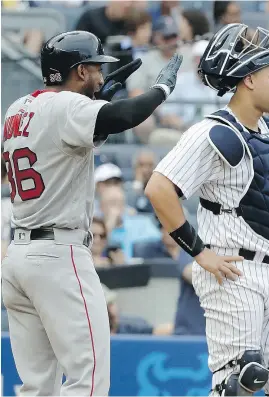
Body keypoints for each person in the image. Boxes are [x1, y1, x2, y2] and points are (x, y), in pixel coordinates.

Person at [144, 23, 269, 396]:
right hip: (232, 270)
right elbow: (159, 188)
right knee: (242, 380)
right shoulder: (215, 132)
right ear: (249, 80)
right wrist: (200, 253)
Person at [1, 30, 182, 396]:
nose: (101, 76)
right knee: (88, 381)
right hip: (59, 255)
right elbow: (128, 114)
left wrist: (100, 99)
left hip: (19, 255)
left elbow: (66, 139)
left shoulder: (16, 108)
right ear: (80, 71)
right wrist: (160, 91)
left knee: (38, 387)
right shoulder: (68, 107)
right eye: (96, 68)